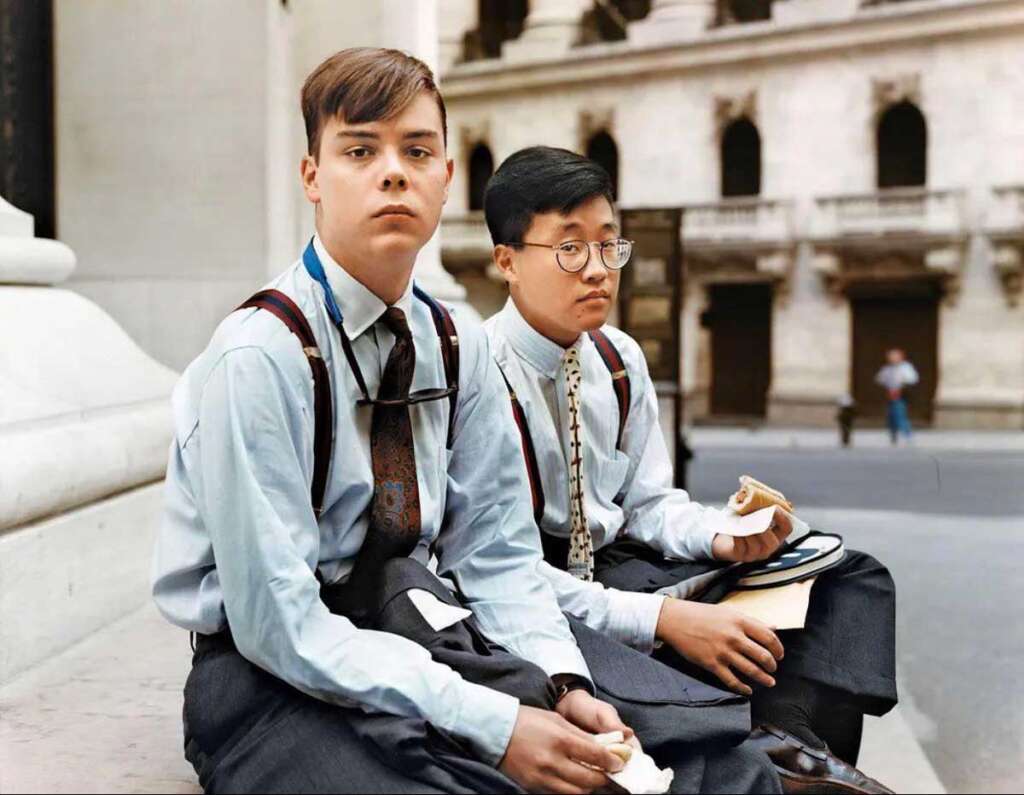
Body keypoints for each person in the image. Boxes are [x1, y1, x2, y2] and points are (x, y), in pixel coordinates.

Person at [151, 50, 780, 794]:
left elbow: (496, 556)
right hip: (266, 676)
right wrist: (497, 722)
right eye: (359, 149)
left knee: (679, 764)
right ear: (312, 176)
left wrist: (560, 683)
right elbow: (278, 625)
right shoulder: (259, 356)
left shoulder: (454, 345)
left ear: (448, 177)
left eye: (417, 151)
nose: (393, 172)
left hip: (411, 619)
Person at [483, 146, 898, 794]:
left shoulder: (618, 358)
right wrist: (667, 619)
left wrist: (722, 535)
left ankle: (797, 744)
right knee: (629, 674)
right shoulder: (477, 376)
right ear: (506, 260)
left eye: (608, 244)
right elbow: (501, 573)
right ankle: (771, 756)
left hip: (626, 565)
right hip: (545, 596)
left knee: (846, 577)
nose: (598, 270)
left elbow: (650, 503)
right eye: (570, 248)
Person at [875, 348, 919, 445]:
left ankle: (908, 435)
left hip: (901, 394)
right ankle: (893, 435)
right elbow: (880, 379)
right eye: (890, 356)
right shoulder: (887, 368)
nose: (892, 358)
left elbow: (912, 379)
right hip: (890, 394)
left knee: (899, 414)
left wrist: (902, 383)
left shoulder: (906, 367)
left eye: (894, 356)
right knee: (891, 416)